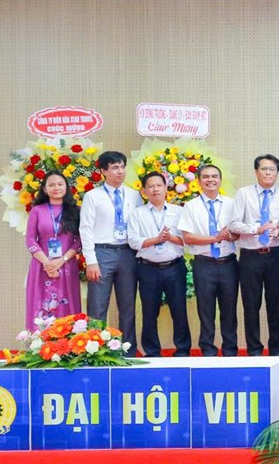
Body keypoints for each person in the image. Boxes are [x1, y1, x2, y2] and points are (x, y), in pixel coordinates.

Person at [80, 151, 143, 355]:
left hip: (127, 254)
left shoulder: (134, 195)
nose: (120, 171)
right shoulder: (92, 196)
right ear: (103, 171)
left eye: (123, 167)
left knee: (128, 306)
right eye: (115, 167)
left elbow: (140, 225)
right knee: (97, 305)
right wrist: (91, 260)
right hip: (102, 253)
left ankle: (128, 351)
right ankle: (95, 351)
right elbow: (85, 229)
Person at [229, 154, 279, 357]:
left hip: (275, 255)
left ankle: (276, 350)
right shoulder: (243, 193)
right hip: (250, 256)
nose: (268, 173)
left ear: (277, 172)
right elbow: (234, 224)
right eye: (264, 169)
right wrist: (257, 229)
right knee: (251, 305)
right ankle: (254, 350)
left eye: (272, 169)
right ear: (256, 171)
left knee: (275, 305)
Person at [179, 165, 239, 357]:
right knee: (205, 310)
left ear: (220, 180)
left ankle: (230, 351)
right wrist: (215, 238)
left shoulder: (232, 204)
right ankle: (208, 351)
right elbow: (188, 237)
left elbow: (238, 234)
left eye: (214, 176)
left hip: (228, 263)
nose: (210, 180)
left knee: (229, 310)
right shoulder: (191, 206)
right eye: (206, 177)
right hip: (204, 264)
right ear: (199, 181)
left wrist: (230, 236)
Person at [128, 171, 189, 357]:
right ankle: (152, 351)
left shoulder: (179, 211)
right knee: (149, 311)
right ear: (144, 191)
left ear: (166, 188)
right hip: (148, 268)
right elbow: (133, 241)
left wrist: (170, 238)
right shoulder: (137, 213)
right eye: (151, 186)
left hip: (175, 267)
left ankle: (183, 350)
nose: (155, 189)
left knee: (179, 310)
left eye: (159, 185)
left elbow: (188, 241)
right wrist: (156, 239)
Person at [25, 171, 81, 328]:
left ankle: (68, 341)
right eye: (51, 185)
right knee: (40, 306)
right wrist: (48, 264)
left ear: (66, 187)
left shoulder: (76, 211)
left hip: (67, 265)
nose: (56, 188)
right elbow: (30, 239)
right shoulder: (37, 211)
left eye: (60, 184)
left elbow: (79, 241)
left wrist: (61, 260)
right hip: (41, 267)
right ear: (45, 189)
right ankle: (39, 341)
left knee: (67, 306)